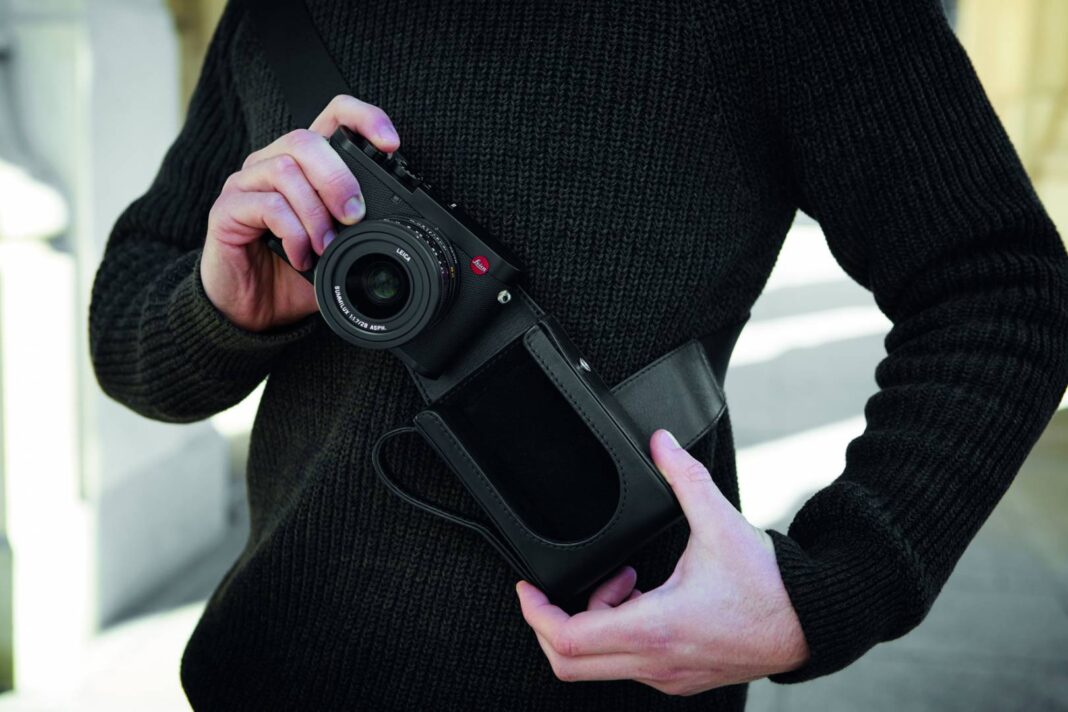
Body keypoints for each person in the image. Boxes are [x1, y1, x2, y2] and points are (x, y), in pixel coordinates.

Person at [88, 0, 1068, 709]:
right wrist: (221, 309)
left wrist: (827, 585)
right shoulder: (280, 14)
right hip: (268, 675)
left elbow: (1004, 291)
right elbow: (128, 332)